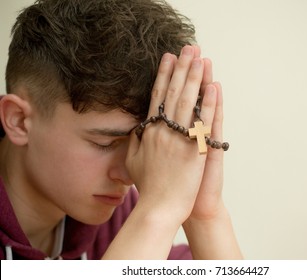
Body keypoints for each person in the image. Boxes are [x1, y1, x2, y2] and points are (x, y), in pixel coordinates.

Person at [0, 0, 242, 260]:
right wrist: (157, 212)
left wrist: (204, 213)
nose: (129, 174)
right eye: (105, 143)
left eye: (145, 142)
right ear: (19, 120)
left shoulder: (125, 217)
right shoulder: (146, 216)